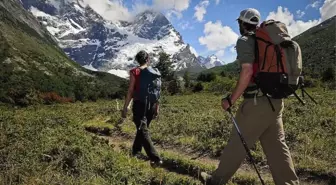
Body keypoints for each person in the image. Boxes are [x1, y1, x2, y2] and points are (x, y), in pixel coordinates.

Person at [201, 8, 300, 185]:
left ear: (241, 23)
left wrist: (230, 99)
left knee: (237, 143)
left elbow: (247, 72)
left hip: (256, 103)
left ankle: (215, 181)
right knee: (277, 147)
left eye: (239, 22)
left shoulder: (245, 40)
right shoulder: (268, 41)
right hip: (276, 101)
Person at [121, 50, 162, 165]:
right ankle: (135, 151)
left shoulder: (135, 71)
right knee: (142, 129)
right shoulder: (155, 72)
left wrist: (125, 107)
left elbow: (130, 90)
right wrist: (157, 107)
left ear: (137, 60)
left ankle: (155, 158)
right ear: (148, 59)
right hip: (152, 104)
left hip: (140, 104)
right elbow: (158, 91)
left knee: (143, 130)